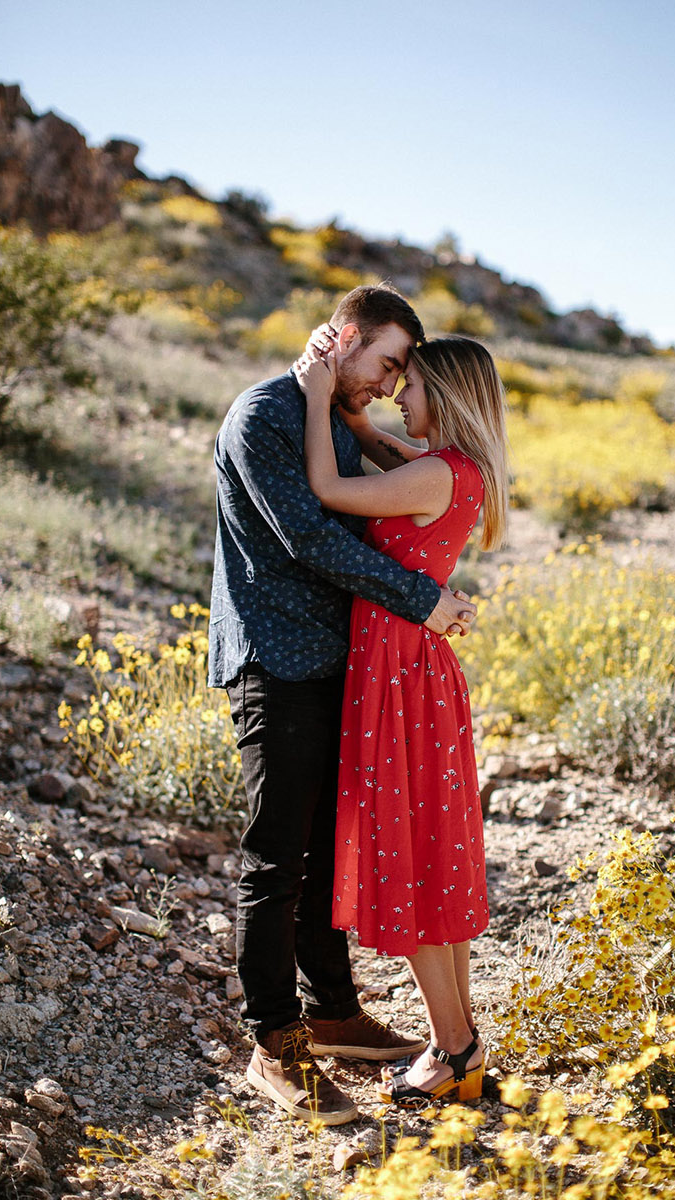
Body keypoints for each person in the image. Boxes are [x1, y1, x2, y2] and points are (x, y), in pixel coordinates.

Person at [208, 283, 476, 1126]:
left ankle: (333, 1012)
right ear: (344, 337)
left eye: (405, 372)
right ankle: (273, 1044)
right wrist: (420, 597)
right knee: (276, 854)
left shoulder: (333, 417)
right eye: (388, 362)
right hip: (277, 664)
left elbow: (383, 514)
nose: (392, 384)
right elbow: (311, 537)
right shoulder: (261, 418)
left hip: (339, 663)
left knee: (331, 852)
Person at [294, 331, 509, 1105]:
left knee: (410, 859)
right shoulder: (458, 471)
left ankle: (453, 1048)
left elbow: (324, 488)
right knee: (431, 855)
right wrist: (359, 428)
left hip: (397, 677)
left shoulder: (433, 477)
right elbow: (393, 460)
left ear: (442, 400)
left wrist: (319, 397)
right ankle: (461, 1044)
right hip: (416, 671)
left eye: (410, 386)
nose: (396, 396)